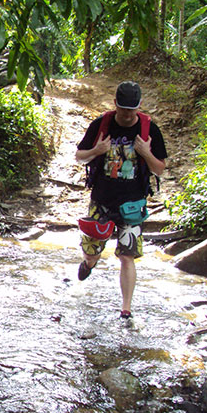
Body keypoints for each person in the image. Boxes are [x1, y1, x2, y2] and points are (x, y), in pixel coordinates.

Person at [75, 81, 167, 321]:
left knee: (127, 256)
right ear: (115, 104)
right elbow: (79, 156)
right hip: (101, 201)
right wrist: (97, 150)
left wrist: (146, 153)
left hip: (133, 204)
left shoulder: (150, 130)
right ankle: (89, 263)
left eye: (132, 110)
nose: (127, 115)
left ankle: (126, 309)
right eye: (123, 109)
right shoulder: (100, 125)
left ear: (139, 107)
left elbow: (160, 169)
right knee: (91, 252)